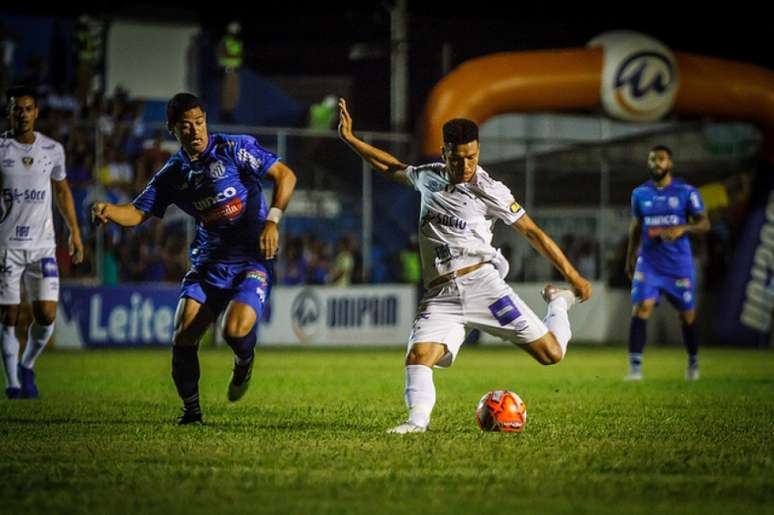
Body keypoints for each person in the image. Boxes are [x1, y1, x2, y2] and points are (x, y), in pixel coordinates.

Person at [338, 98, 592, 433]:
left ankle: (559, 303)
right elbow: (391, 168)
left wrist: (573, 277)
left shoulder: (491, 190)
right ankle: (416, 423)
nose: (466, 165)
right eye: (458, 159)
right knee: (418, 357)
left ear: (478, 151)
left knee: (551, 354)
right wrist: (351, 139)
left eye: (472, 157)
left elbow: (533, 233)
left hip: (483, 286)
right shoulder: (428, 178)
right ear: (444, 153)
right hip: (441, 292)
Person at [91, 92, 297, 424]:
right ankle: (192, 412)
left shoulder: (233, 148)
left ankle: (244, 362)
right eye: (186, 126)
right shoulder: (173, 174)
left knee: (234, 331)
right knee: (183, 337)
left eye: (199, 122)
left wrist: (272, 220)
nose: (196, 131)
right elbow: (135, 213)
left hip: (251, 259)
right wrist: (108, 211)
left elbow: (286, 176)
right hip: (208, 264)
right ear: (172, 129)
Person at [0, 85, 84, 399]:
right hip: (6, 245)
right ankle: (12, 385)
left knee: (46, 315)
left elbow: (62, 191)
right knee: (8, 317)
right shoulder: (1, 149)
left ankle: (27, 364)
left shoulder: (52, 150)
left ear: (36, 112)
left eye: (27, 108)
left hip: (43, 246)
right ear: (10, 112)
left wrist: (74, 231)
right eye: (16, 109)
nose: (22, 114)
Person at [625, 145, 709, 381]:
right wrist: (630, 256)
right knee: (642, 307)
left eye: (661, 159)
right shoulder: (640, 194)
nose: (656, 164)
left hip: (678, 265)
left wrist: (684, 227)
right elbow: (636, 226)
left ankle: (693, 362)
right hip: (649, 263)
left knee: (687, 315)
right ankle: (635, 368)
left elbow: (704, 223)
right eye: (652, 159)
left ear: (670, 163)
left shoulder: (686, 191)